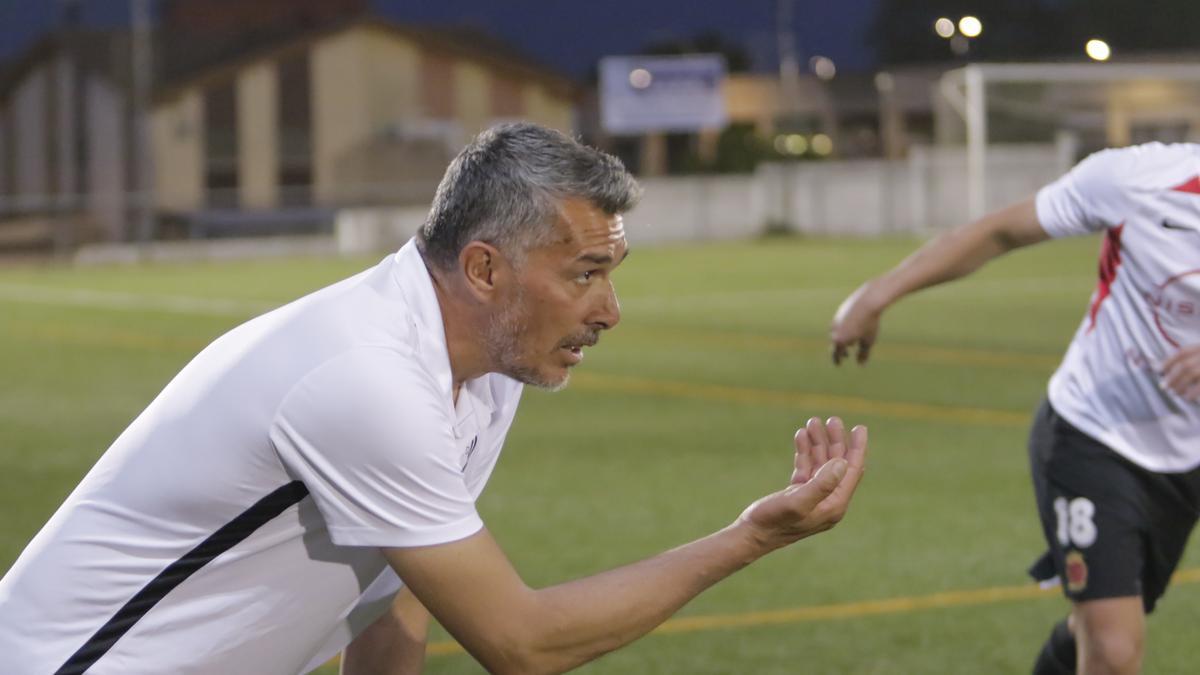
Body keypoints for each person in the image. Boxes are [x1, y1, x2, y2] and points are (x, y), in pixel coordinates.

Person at [0, 123, 869, 675]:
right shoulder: (361, 374)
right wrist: (751, 536)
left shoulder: (483, 363)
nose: (609, 310)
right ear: (486, 269)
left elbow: (403, 590)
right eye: (586, 273)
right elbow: (520, 644)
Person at [830, 141, 1200, 675]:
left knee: (1096, 631)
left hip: (1187, 451)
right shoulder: (1137, 179)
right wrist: (874, 295)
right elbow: (997, 231)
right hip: (1096, 438)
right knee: (1114, 652)